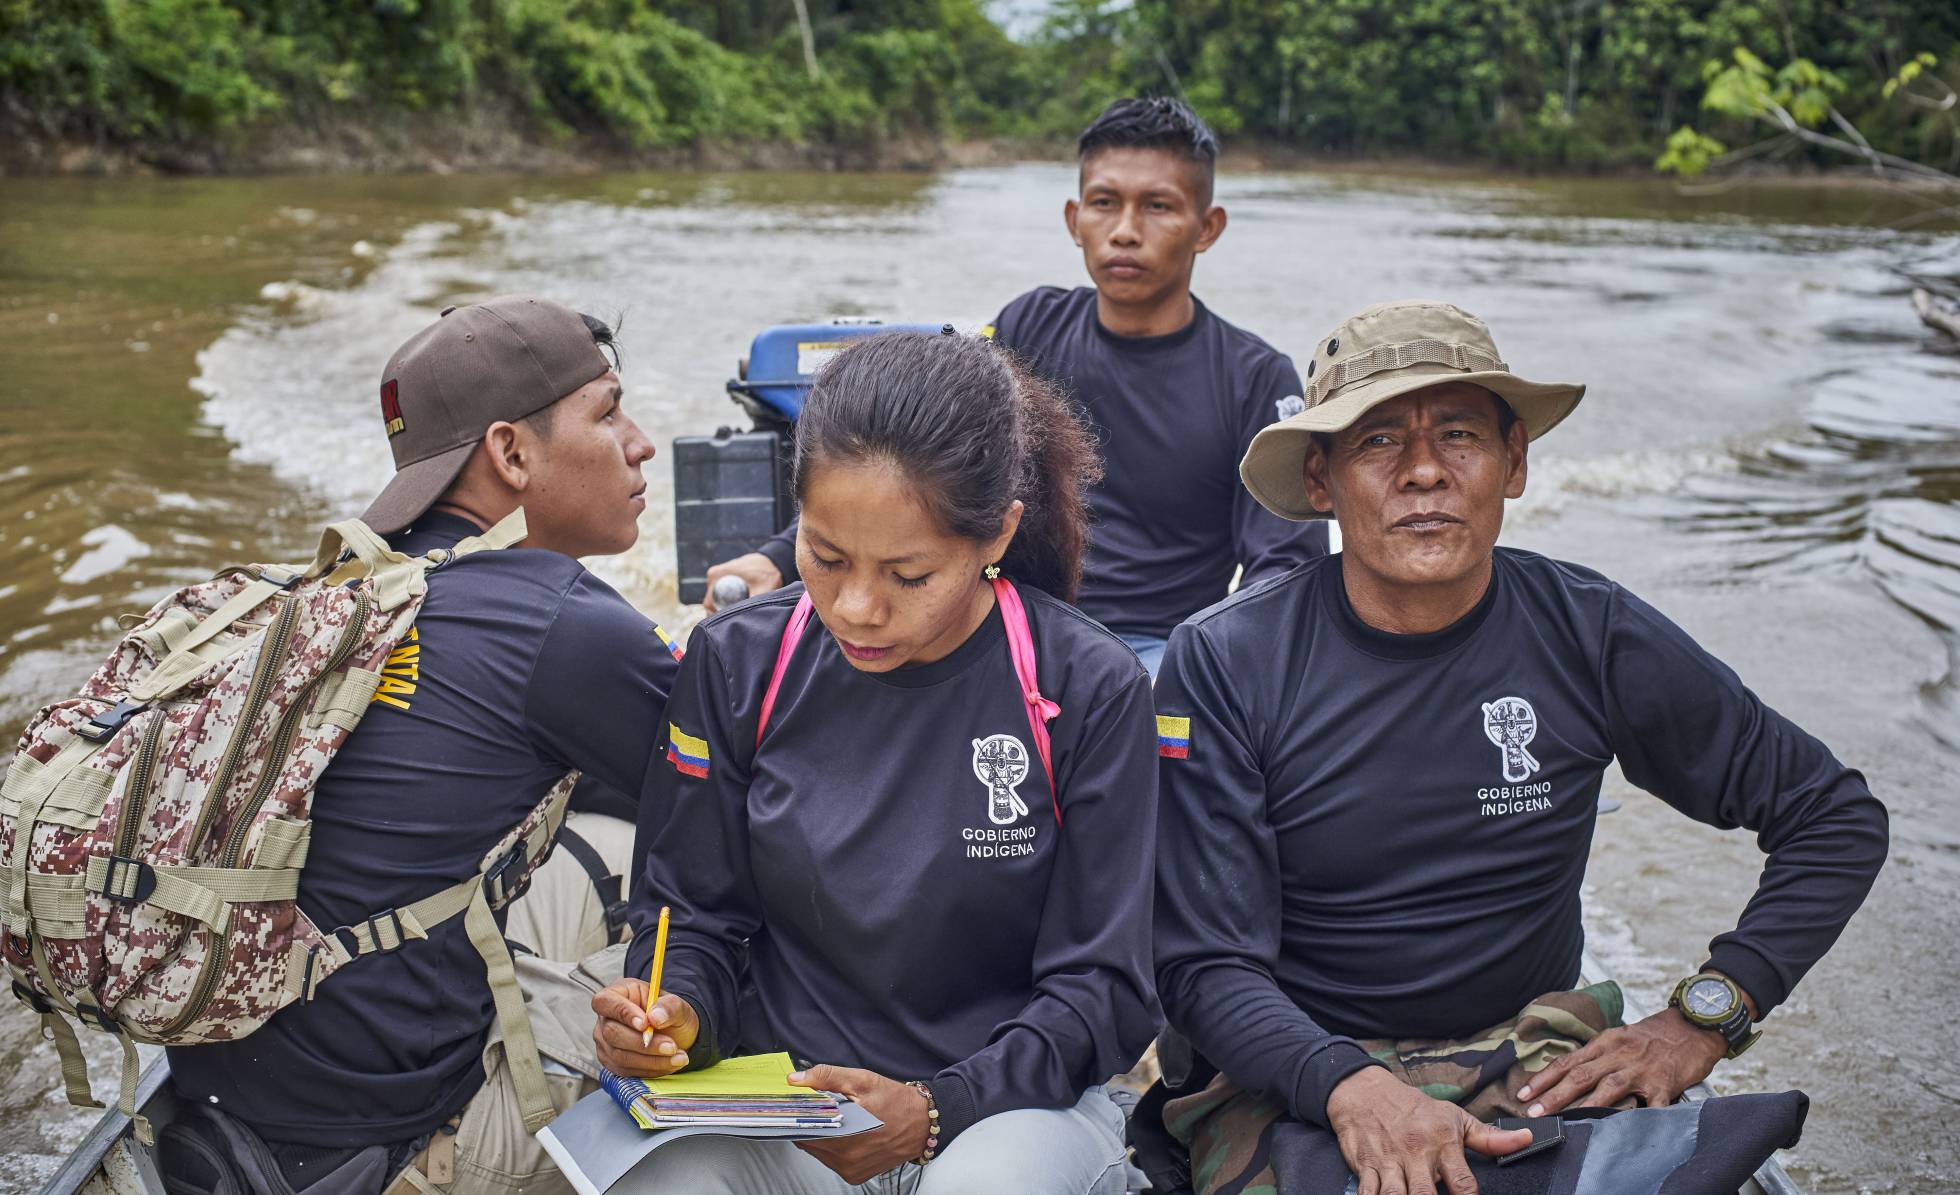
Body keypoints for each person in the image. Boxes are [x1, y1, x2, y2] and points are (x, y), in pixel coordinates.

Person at [1150, 300, 1890, 1195]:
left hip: (1532, 1044)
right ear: (1321, 481)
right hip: (1297, 1064)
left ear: (1516, 464)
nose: (1424, 470)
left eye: (1459, 434)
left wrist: (1707, 1015)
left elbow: (1831, 813)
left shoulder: (1589, 631)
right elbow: (1201, 962)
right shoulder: (1225, 660)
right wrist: (1349, 1086)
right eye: (1379, 441)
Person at [591, 330, 1161, 1193]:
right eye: (825, 558)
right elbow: (694, 916)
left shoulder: (1086, 688)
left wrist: (937, 1108)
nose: (857, 607)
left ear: (996, 534)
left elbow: (1103, 987)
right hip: (787, 1110)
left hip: (1008, 1113)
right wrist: (673, 1015)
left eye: (908, 574)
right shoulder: (736, 662)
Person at [162, 296, 683, 1195]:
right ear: (510, 454)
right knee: (717, 981)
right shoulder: (562, 620)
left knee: (602, 854)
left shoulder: (348, 589)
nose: (639, 443)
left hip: (223, 1123)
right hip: (396, 1152)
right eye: (608, 412)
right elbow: (749, 814)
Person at [706, 97, 1325, 675]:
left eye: (1158, 206)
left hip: (1157, 647)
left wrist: (1211, 671)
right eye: (1105, 202)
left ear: (1207, 226)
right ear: (1074, 218)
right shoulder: (1030, 325)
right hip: (1006, 619)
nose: (1126, 230)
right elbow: (915, 464)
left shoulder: (1254, 376)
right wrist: (774, 558)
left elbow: (1283, 565)